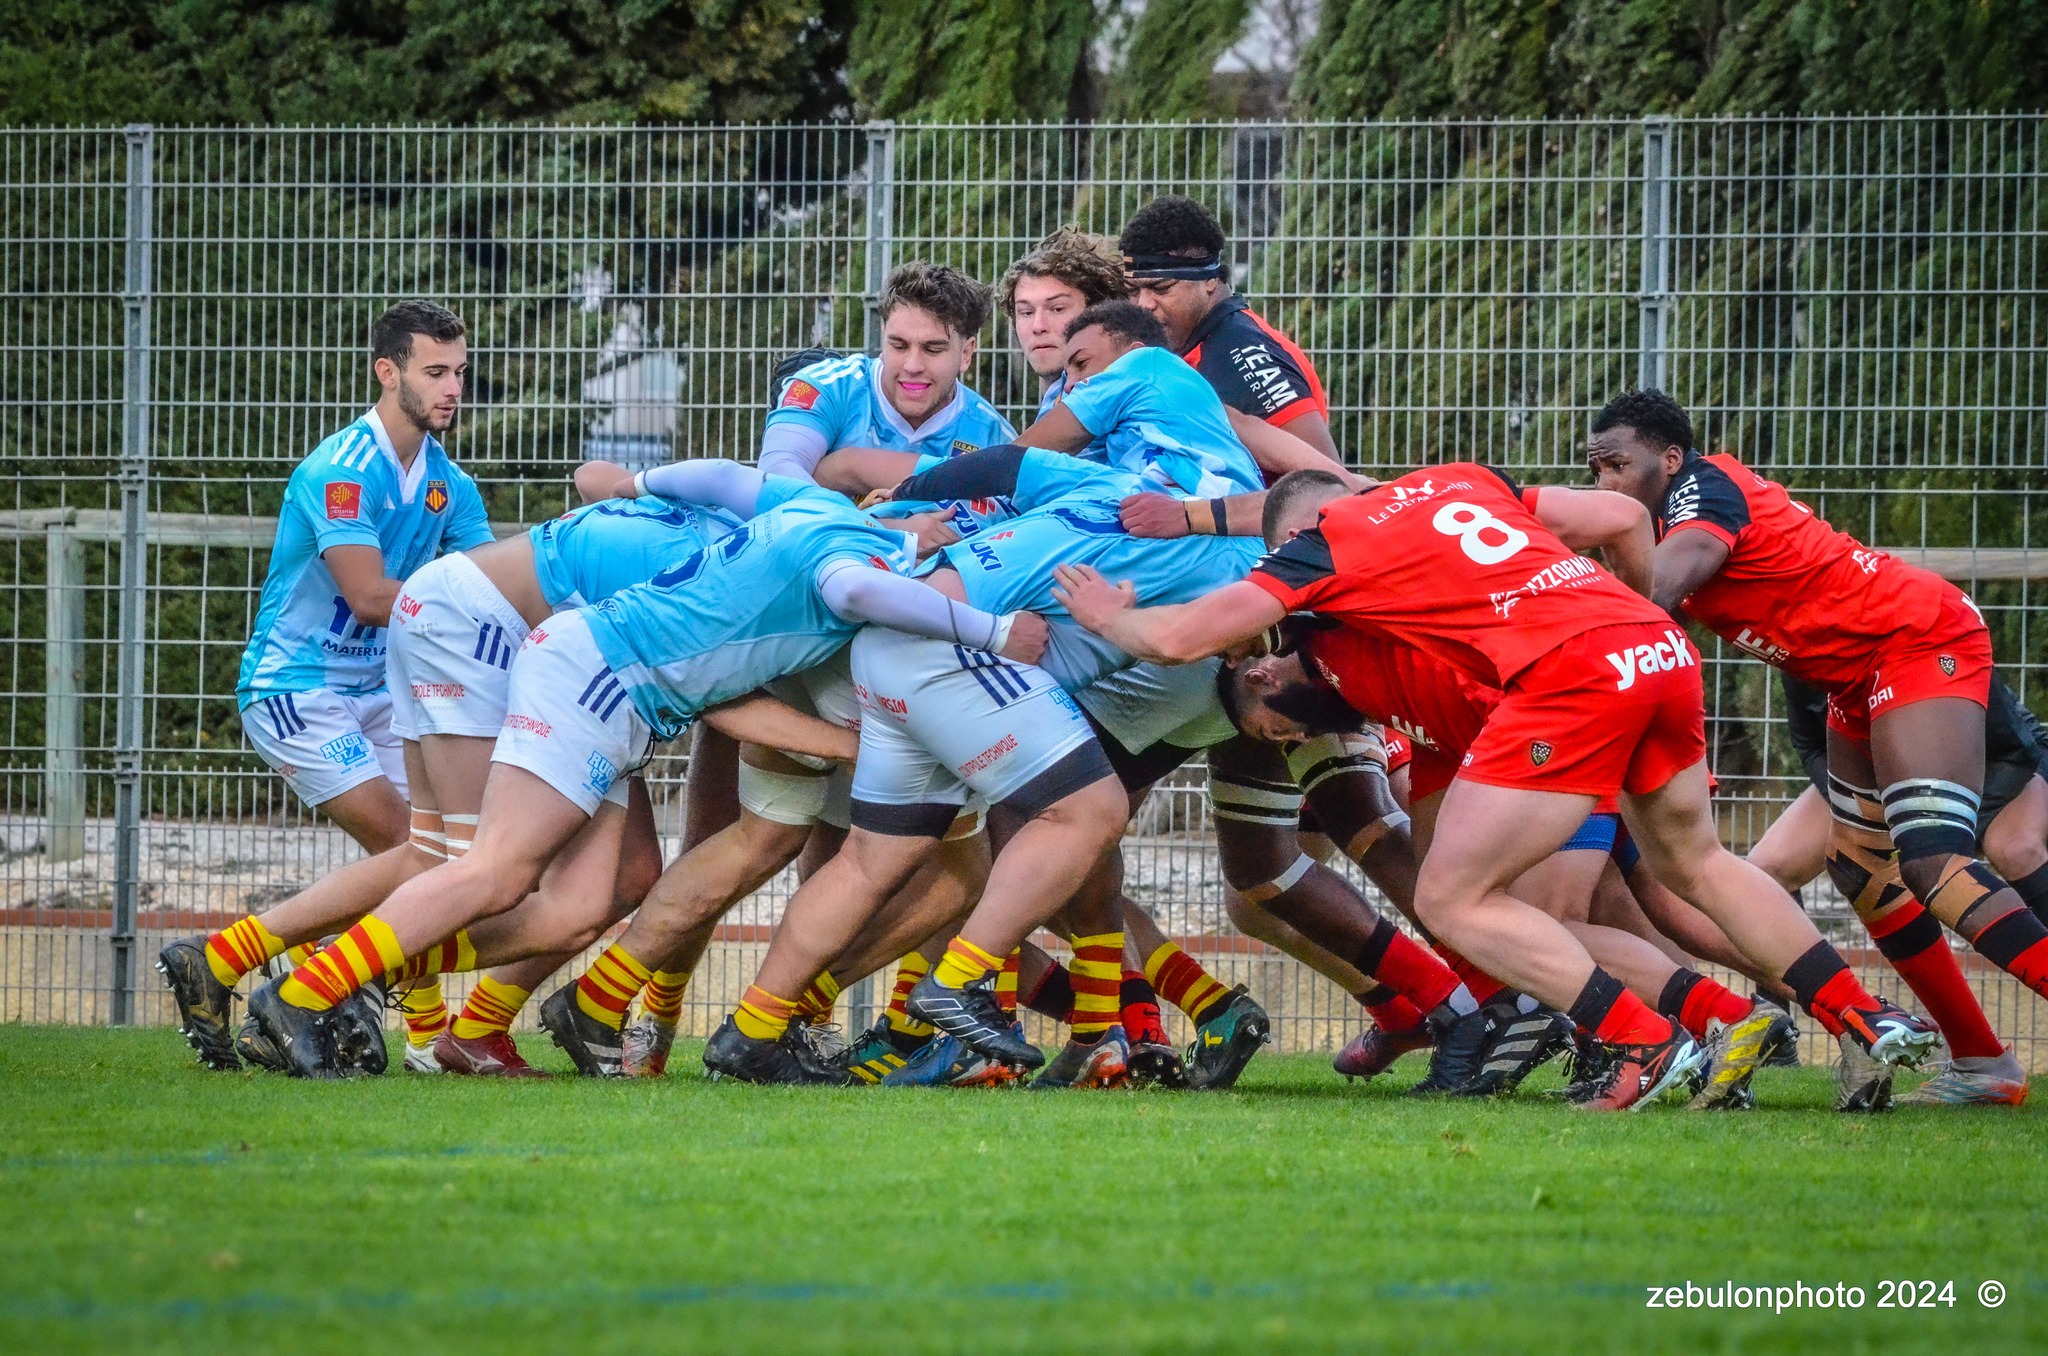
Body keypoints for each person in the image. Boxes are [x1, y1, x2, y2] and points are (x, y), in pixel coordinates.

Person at [1055, 464, 1939, 1111]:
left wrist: (1109, 618)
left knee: (1454, 897)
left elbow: (1183, 638)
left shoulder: (1327, 553)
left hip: (1565, 688)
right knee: (1695, 865)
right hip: (1651, 649)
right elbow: (1624, 516)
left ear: (1298, 538)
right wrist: (1639, 608)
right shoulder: (1458, 482)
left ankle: (1645, 1039)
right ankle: (1864, 1017)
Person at [244, 460, 1043, 1077]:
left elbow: (724, 478)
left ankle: (335, 976)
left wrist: (634, 482)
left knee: (579, 906)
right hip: (595, 675)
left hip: (598, 674)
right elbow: (857, 594)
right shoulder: (854, 560)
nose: (952, 535)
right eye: (950, 529)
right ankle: (307, 990)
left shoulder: (811, 506)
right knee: (494, 871)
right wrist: (996, 633)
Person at [1588, 388, 2039, 1108]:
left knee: (1933, 862)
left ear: (1669, 459)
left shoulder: (1704, 488)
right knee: (1863, 871)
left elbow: (1659, 591)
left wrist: (1557, 578)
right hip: (1853, 681)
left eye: (1617, 465)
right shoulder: (1667, 525)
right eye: (1595, 471)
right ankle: (1984, 1063)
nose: (1605, 484)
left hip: (1916, 639)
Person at [159, 300, 490, 1072]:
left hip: (380, 693)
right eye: (435, 372)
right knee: (413, 848)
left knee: (445, 855)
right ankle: (393, 1016)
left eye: (460, 372)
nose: (452, 388)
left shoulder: (450, 485)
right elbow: (370, 597)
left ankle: (247, 966)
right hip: (295, 688)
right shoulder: (340, 470)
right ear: (388, 373)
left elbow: (487, 593)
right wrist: (464, 604)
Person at [1118, 194, 1338, 461]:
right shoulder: (1197, 343)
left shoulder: (1243, 352)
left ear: (1209, 279)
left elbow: (1327, 476)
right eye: (1132, 291)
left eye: (1161, 288)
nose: (1143, 304)